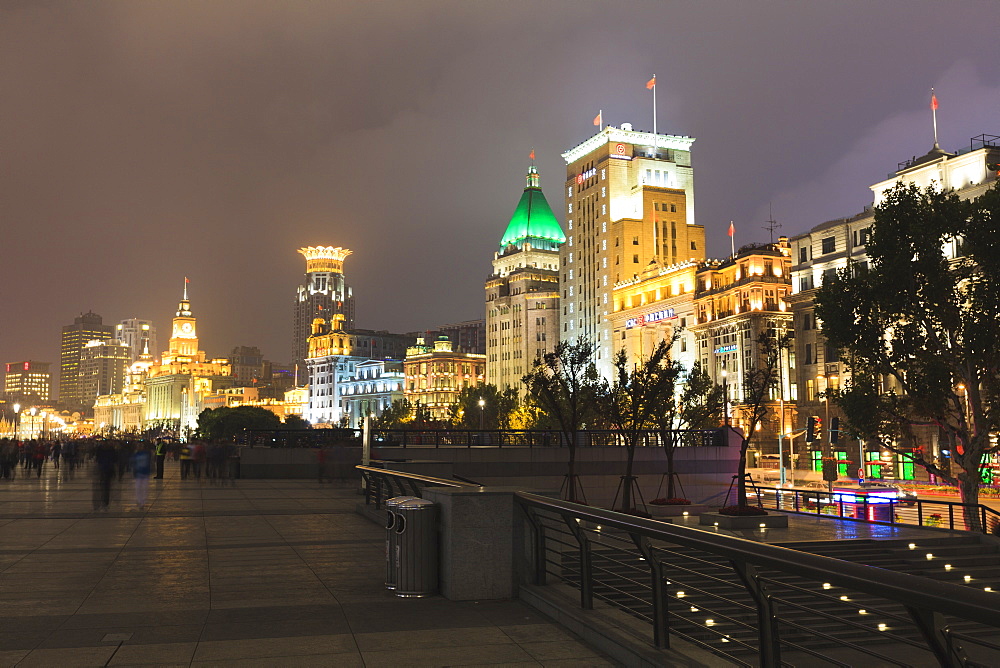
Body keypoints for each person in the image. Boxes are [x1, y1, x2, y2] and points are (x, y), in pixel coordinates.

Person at [132, 443, 152, 509]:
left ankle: (142, 502)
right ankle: (139, 501)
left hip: (145, 472)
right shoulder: (136, 454)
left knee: (144, 488)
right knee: (138, 488)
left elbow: (149, 462)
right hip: (138, 473)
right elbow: (133, 463)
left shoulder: (146, 454)